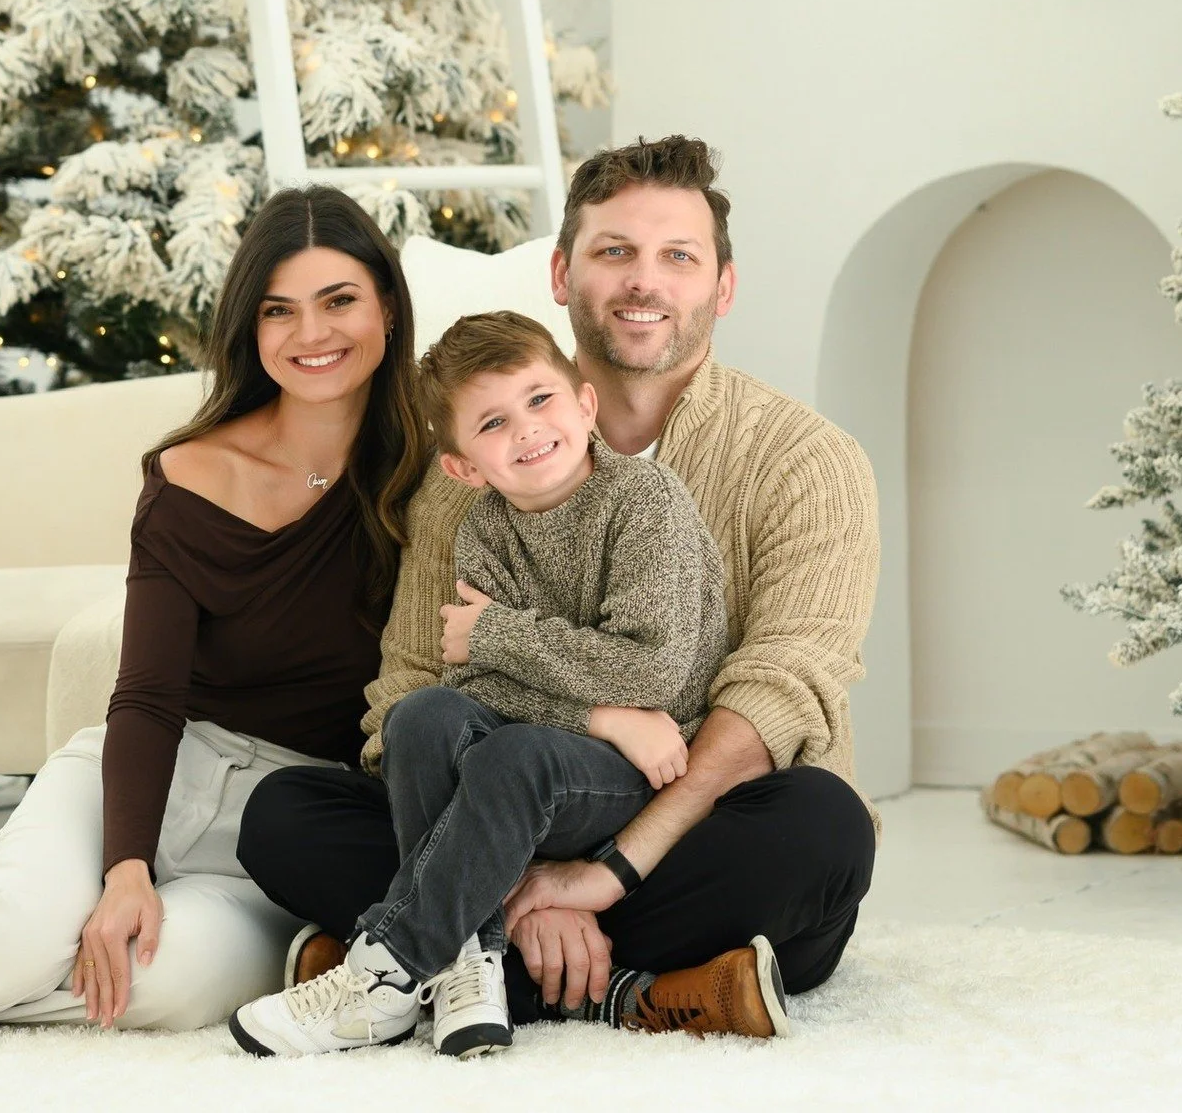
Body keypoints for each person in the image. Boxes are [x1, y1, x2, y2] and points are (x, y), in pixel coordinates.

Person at [0, 185, 428, 1038]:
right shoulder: (191, 473)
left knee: (163, 988)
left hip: (287, 830)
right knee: (12, 928)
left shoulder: (434, 478)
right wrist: (125, 864)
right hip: (149, 777)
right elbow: (145, 695)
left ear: (388, 308)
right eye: (278, 309)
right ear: (250, 328)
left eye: (339, 301)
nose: (311, 334)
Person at [238, 135, 882, 1040]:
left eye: (677, 257)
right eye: (613, 251)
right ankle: (642, 986)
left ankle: (418, 950)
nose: (641, 282)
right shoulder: (463, 485)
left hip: (684, 834)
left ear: (721, 287)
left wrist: (602, 874)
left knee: (822, 830)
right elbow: (413, 684)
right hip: (495, 809)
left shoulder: (807, 461)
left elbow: (778, 692)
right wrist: (513, 866)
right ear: (560, 271)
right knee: (284, 816)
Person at [229, 311, 742, 1059]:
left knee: (511, 756)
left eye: (540, 400)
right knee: (422, 717)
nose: (528, 430)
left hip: (643, 770)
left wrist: (499, 632)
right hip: (568, 756)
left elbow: (652, 670)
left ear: (584, 404)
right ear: (464, 466)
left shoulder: (643, 499)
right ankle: (471, 962)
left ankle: (388, 969)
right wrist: (599, 713)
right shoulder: (483, 531)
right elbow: (474, 685)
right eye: (493, 423)